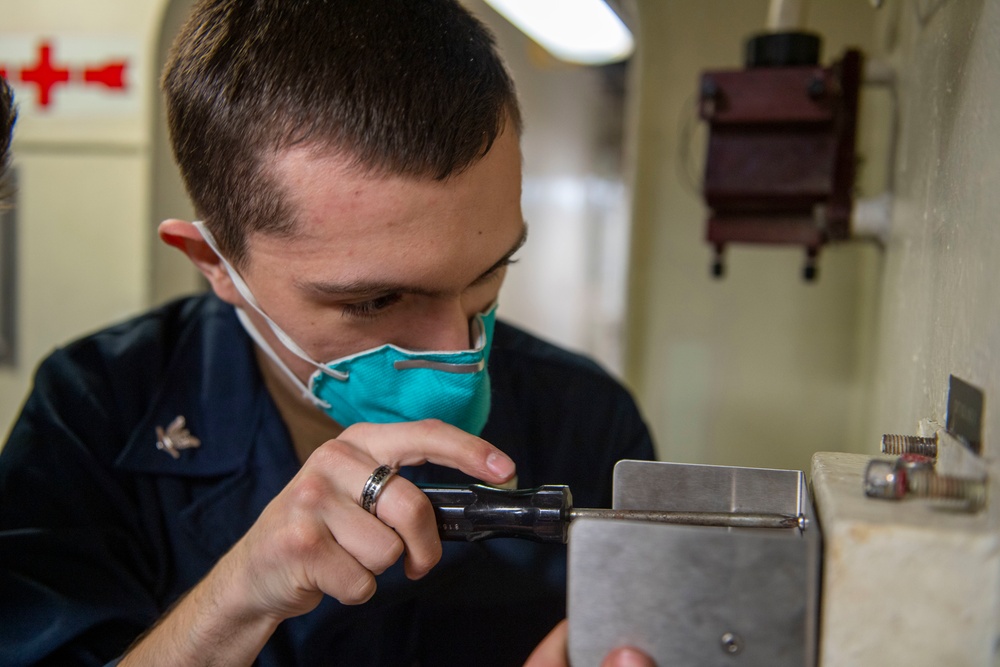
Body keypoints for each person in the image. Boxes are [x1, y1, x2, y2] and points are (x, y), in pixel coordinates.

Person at [0, 1, 654, 665]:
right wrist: (238, 597)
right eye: (375, 300)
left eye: (490, 273)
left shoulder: (586, 421)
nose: (458, 348)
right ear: (215, 265)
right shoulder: (94, 413)